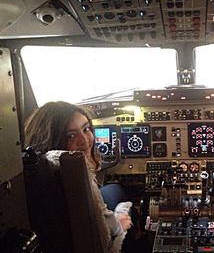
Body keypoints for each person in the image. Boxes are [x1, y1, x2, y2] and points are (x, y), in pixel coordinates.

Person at [24, 101, 133, 252]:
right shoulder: (76, 173)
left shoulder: (40, 170)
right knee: (119, 195)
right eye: (70, 136)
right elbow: (106, 232)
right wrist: (120, 221)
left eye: (86, 129)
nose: (85, 141)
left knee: (111, 189)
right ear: (52, 140)